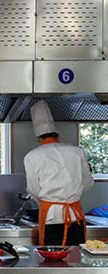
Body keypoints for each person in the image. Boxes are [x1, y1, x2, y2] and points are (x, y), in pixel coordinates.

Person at [24, 100, 93, 246]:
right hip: (74, 215)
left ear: (38, 137)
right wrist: (70, 195)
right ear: (57, 134)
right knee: (75, 255)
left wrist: (50, 200)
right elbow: (88, 183)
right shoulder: (77, 152)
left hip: (51, 217)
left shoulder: (32, 156)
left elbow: (33, 189)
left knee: (53, 257)